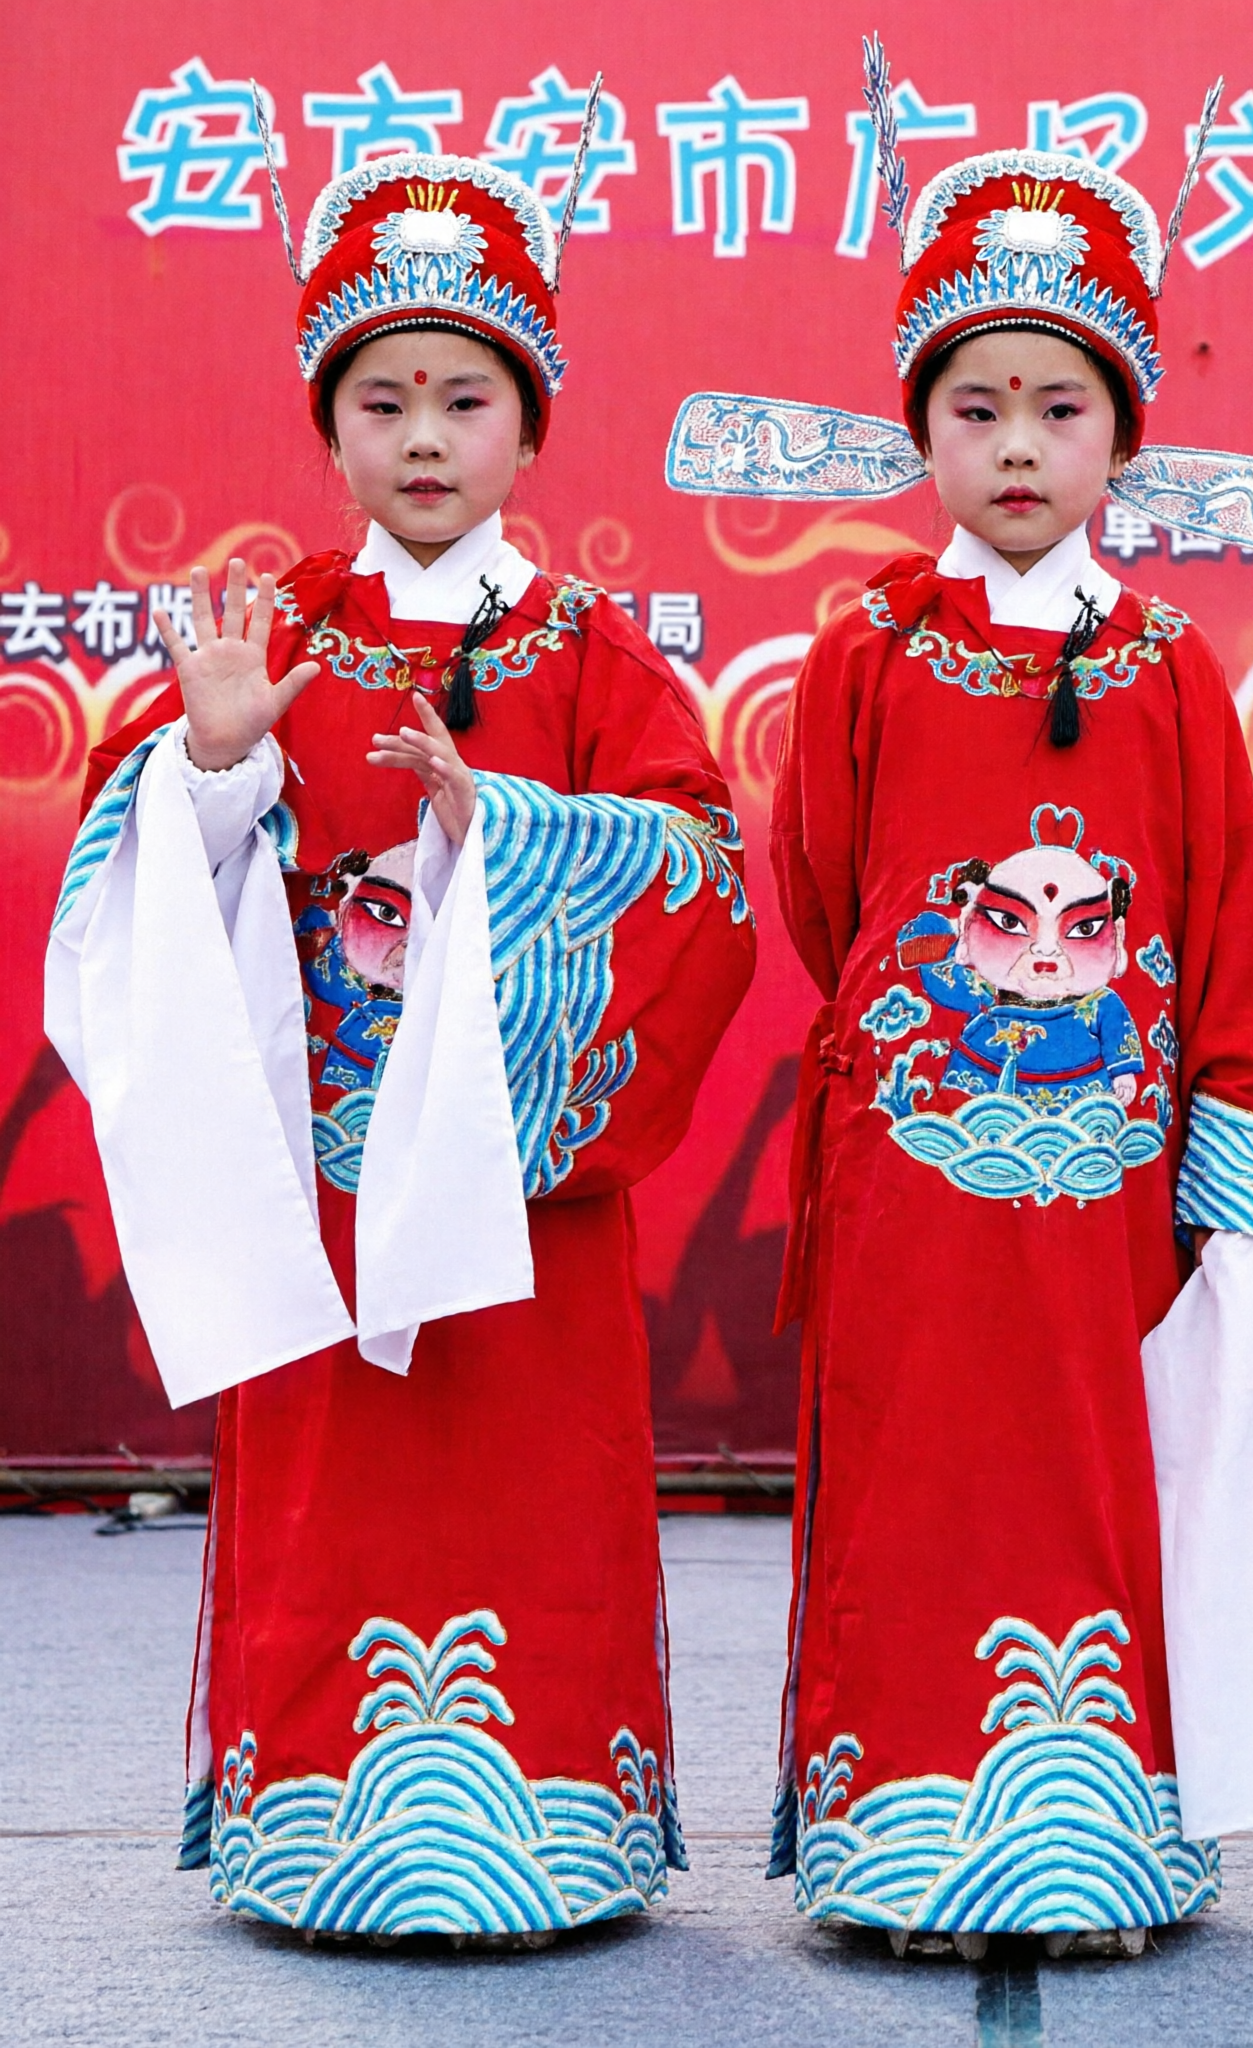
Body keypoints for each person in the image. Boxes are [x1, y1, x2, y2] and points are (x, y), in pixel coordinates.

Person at [675, 85, 1253, 1957]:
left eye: (1060, 409)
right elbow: (824, 895)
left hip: (1108, 1193)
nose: (1017, 448)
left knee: (1093, 1479)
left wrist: (1235, 1184)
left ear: (1123, 434)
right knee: (909, 1479)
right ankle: (900, 1850)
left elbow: (1227, 937)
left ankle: (1098, 1849)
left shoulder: (1168, 671)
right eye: (974, 409)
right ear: (919, 431)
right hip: (913, 1179)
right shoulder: (864, 650)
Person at [44, 141, 755, 1942]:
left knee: (532, 1498)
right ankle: (319, 1826)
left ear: (531, 426)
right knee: (332, 1504)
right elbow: (142, 910)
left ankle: (553, 1829)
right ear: (330, 423)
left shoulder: (603, 656)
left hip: (523, 1205)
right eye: (384, 400)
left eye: (465, 397)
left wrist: (500, 835)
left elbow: (702, 881)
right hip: (333, 1201)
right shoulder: (270, 634)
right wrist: (209, 774)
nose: (423, 436)